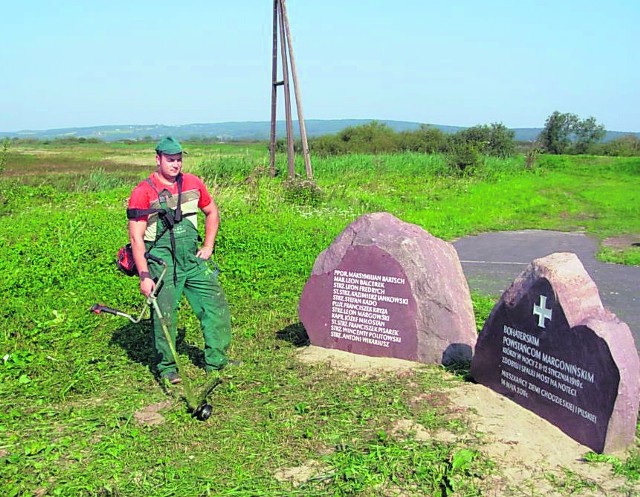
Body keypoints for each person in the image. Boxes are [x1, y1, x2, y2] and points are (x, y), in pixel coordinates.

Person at [127, 137, 233, 384]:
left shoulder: (193, 183)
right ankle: (167, 368)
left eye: (178, 159)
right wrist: (145, 275)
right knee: (165, 316)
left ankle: (216, 361)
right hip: (162, 263)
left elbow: (212, 212)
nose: (175, 164)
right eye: (170, 160)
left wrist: (208, 245)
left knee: (215, 305)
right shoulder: (143, 192)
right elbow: (136, 237)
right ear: (158, 160)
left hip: (192, 259)